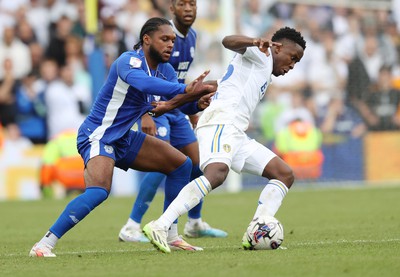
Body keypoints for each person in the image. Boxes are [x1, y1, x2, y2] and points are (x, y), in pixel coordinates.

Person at [29, 17, 215, 257]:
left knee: (181, 165)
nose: (171, 45)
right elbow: (146, 84)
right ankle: (44, 245)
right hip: (99, 136)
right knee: (98, 191)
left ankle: (171, 234)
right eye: (165, 39)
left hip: (124, 138)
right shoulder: (128, 61)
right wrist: (185, 89)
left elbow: (176, 104)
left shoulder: (166, 70)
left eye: (172, 40)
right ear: (146, 39)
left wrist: (196, 103)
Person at [142, 26, 307, 253]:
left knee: (284, 174)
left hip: (236, 132)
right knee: (217, 174)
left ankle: (257, 231)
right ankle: (160, 225)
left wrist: (171, 104)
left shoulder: (261, 71)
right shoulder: (261, 54)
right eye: (292, 58)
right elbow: (228, 41)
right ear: (277, 47)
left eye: (297, 62)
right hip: (221, 123)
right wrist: (255, 41)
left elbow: (215, 86)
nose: (292, 65)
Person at [118, 0, 227, 248]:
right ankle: (131, 226)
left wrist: (192, 113)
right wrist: (143, 114)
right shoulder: (161, 35)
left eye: (192, 4)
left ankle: (195, 223)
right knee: (162, 164)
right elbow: (141, 75)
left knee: (198, 164)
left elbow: (181, 79)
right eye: (182, 4)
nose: (188, 8)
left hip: (177, 109)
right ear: (172, 9)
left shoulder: (192, 37)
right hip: (156, 108)